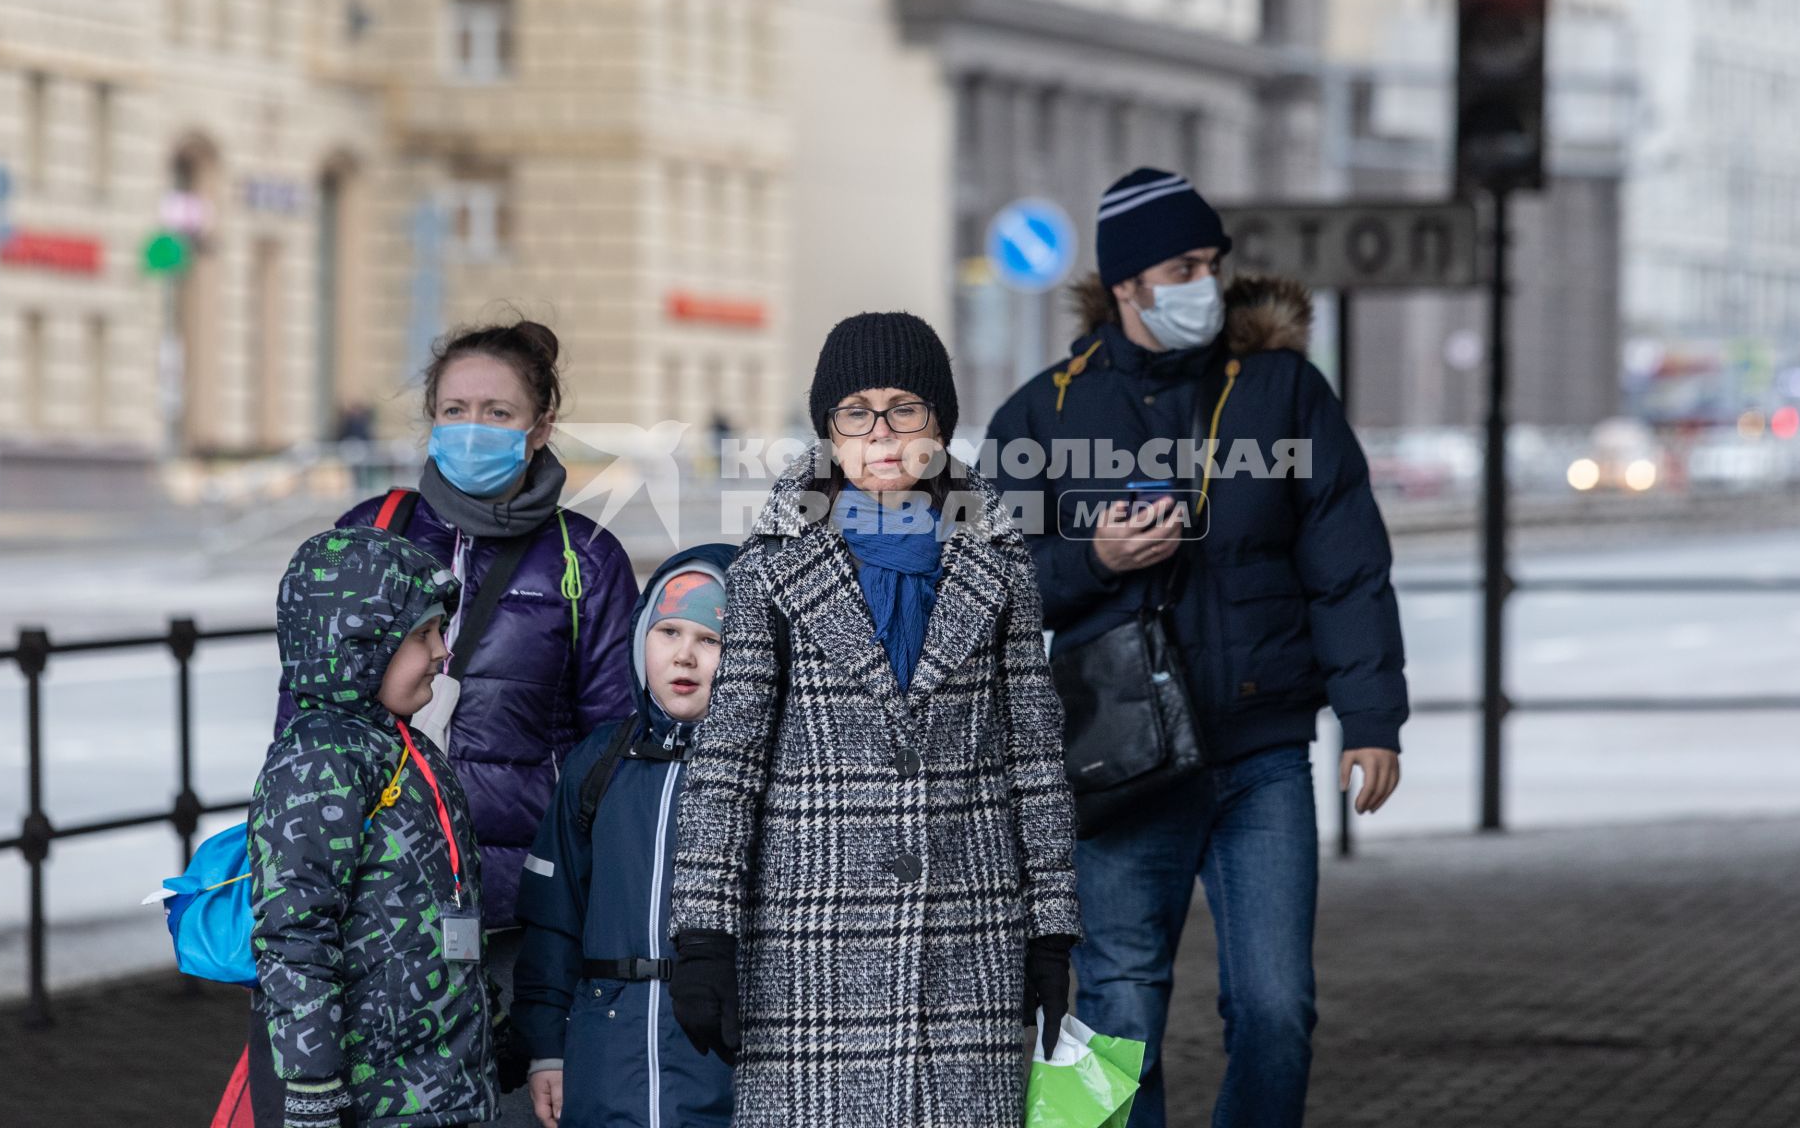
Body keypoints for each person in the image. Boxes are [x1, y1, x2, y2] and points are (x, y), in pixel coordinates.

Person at [985, 168, 1410, 1128]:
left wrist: (1373, 719)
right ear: (1129, 283)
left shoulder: (1283, 391)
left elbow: (1347, 565)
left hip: (1259, 754)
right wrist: (1094, 557)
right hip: (1117, 758)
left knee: (1277, 1010)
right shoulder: (1044, 412)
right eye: (1182, 266)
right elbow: (992, 587)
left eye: (1212, 264)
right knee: (1108, 1014)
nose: (1204, 285)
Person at [667, 312, 1080, 1128]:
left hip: (971, 939)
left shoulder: (996, 559)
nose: (881, 433)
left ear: (941, 425)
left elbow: (1033, 755)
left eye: (905, 409)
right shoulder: (773, 566)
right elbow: (730, 762)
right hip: (809, 946)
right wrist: (703, 933)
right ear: (828, 429)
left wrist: (1052, 928)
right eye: (856, 411)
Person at [276, 318, 640, 1126]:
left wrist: (591, 895)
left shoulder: (586, 560)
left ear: (540, 426)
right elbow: (303, 718)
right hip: (374, 899)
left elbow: (615, 747)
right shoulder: (370, 533)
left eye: (498, 413)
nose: (472, 428)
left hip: (518, 908)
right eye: (455, 408)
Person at [251, 526, 495, 1128]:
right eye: (423, 634)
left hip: (440, 1084)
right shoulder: (320, 761)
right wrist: (313, 1089)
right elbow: (296, 937)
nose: (443, 651)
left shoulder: (405, 745)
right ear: (358, 644)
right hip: (377, 1098)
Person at [513, 544, 739, 1128]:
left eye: (710, 640)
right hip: (606, 1060)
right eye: (668, 632)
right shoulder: (599, 761)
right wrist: (546, 1045)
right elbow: (554, 916)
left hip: (726, 1066)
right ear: (641, 637)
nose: (684, 655)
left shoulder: (773, 770)